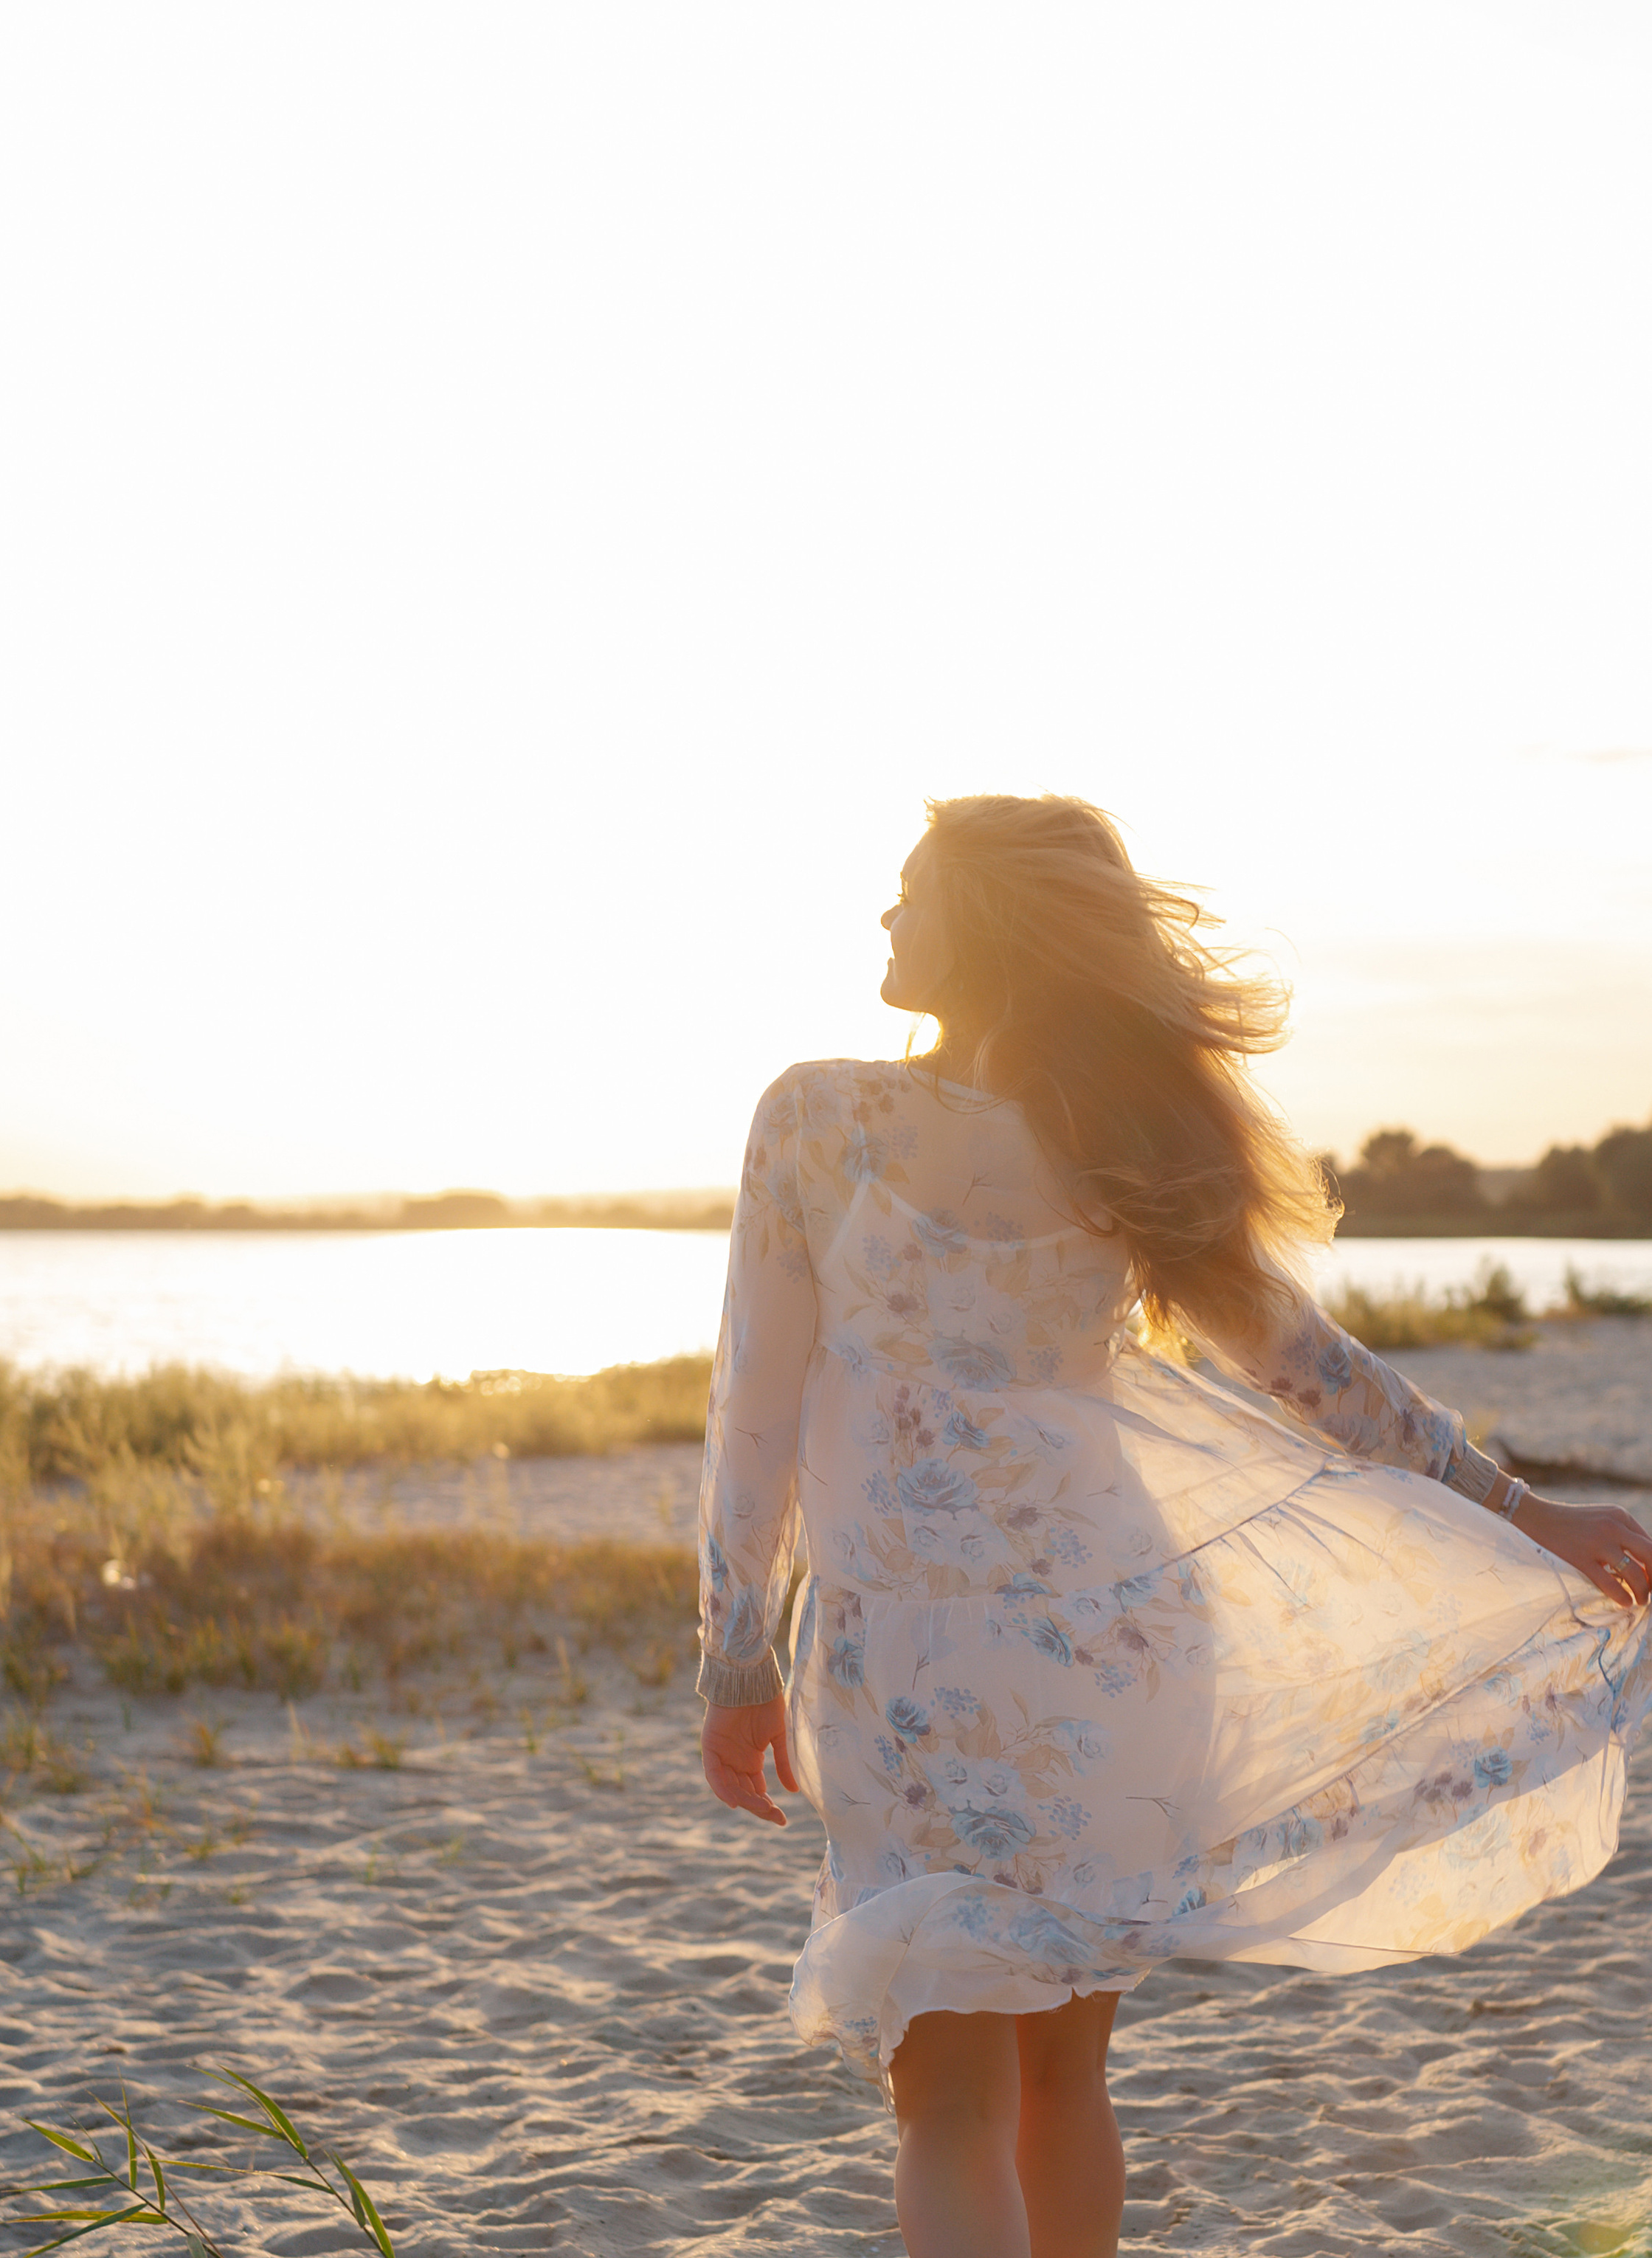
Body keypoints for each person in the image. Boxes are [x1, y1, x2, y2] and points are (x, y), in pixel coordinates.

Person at [696, 793, 1651, 2258]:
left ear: (993, 921)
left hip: (907, 1664)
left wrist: (730, 1659)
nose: (884, 918)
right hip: (1113, 1637)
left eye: (910, 891)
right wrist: (1524, 1515)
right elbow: (1314, 1372)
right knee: (1060, 2075)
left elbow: (749, 1414)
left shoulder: (817, 1117)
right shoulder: (1121, 1138)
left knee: (943, 2097)